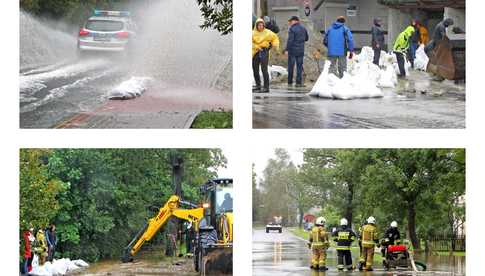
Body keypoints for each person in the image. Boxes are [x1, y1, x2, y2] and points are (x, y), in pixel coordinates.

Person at [252, 18, 280, 93]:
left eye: (262, 25)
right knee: (255, 70)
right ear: (256, 26)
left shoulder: (268, 32)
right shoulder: (253, 33)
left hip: (264, 51)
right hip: (255, 52)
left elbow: (275, 38)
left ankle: (266, 87)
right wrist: (257, 47)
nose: (260, 27)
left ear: (264, 25)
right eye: (259, 25)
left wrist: (275, 46)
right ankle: (258, 85)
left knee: (264, 69)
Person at [284, 16, 309, 87]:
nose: (290, 23)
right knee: (299, 67)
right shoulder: (303, 28)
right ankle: (298, 82)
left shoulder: (292, 29)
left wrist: (287, 50)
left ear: (295, 21)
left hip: (292, 51)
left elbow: (290, 40)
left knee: (291, 66)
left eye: (291, 21)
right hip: (301, 50)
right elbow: (307, 38)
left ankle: (290, 81)